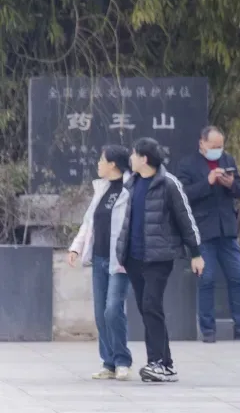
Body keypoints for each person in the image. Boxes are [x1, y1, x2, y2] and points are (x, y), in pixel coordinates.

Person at [115, 137, 204, 383]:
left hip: (159, 257)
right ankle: (165, 364)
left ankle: (157, 362)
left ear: (144, 158)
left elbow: (186, 219)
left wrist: (196, 253)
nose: (130, 158)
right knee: (147, 309)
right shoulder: (131, 183)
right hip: (134, 258)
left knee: (151, 305)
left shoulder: (168, 184)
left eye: (134, 154)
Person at [175, 126, 240, 343]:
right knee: (206, 279)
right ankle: (208, 329)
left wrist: (231, 184)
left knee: (237, 277)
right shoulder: (188, 164)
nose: (217, 150)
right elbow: (183, 194)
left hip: (226, 229)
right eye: (213, 146)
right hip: (204, 230)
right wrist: (208, 182)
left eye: (220, 146)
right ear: (202, 143)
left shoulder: (227, 159)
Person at [67, 145, 134, 380]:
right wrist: (76, 248)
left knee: (113, 309)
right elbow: (89, 223)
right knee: (100, 313)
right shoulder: (101, 188)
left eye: (101, 160)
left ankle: (122, 360)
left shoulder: (130, 190)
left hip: (120, 261)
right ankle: (109, 362)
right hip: (99, 258)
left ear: (113, 164)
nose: (98, 163)